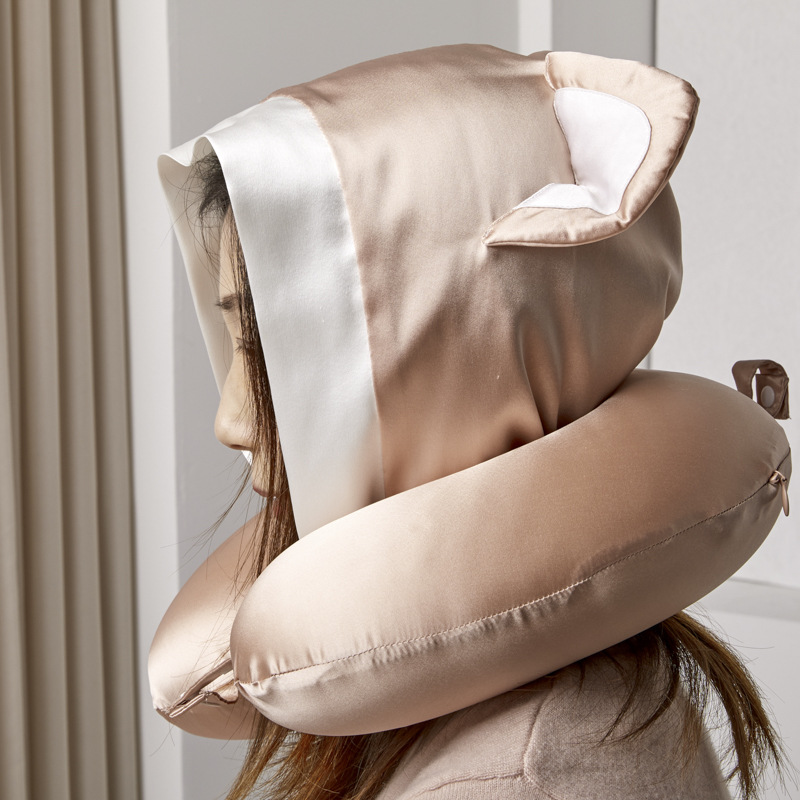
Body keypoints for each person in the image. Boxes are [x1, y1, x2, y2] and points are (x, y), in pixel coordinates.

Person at [150, 45, 790, 800]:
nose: (230, 422)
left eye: (271, 356)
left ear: (453, 358)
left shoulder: (521, 775)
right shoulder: (552, 709)